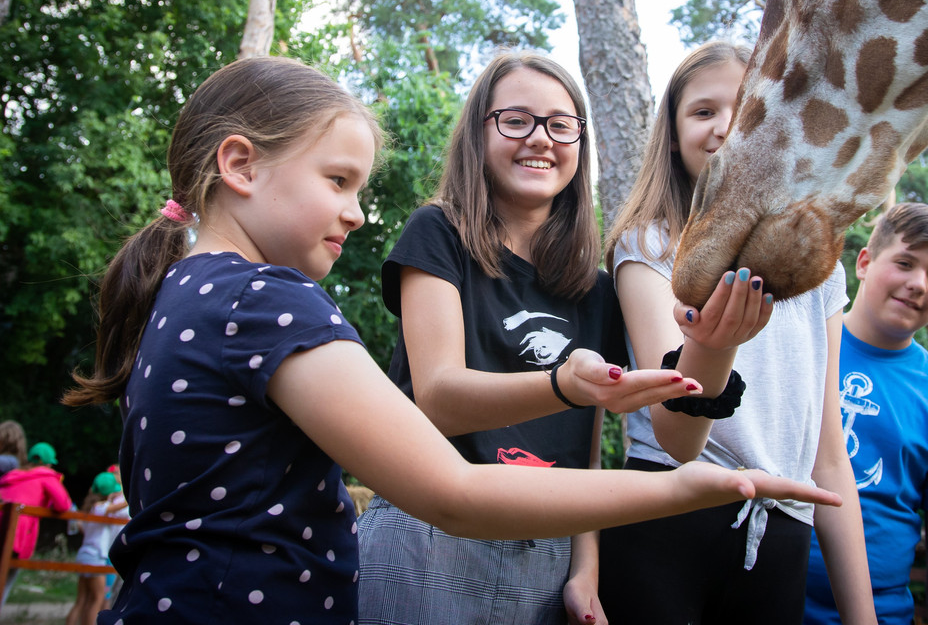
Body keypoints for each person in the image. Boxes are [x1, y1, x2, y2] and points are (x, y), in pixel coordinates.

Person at [61, 55, 842, 624]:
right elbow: (450, 476)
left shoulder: (192, 291)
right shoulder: (270, 300)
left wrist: (589, 552)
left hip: (527, 538)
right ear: (239, 164)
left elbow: (596, 438)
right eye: (339, 182)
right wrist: (684, 486)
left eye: (562, 123)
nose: (358, 211)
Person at [354, 49, 773, 625]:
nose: (540, 139)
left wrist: (584, 568)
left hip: (546, 548)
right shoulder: (439, 233)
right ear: (479, 133)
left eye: (560, 124)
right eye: (516, 120)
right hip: (431, 532)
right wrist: (564, 384)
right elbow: (439, 399)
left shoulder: (594, 291)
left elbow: (584, 453)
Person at [597, 40, 877, 625]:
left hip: (784, 532)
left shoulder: (820, 268)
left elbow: (828, 454)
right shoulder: (647, 244)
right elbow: (677, 437)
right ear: (672, 135)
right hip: (667, 514)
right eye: (704, 111)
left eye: (749, 109)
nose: (728, 127)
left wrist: (863, 616)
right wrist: (713, 345)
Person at [803, 202, 928, 625]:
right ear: (864, 262)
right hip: (761, 596)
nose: (918, 284)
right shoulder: (803, 344)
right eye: (904, 262)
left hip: (881, 613)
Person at [0, 441, 74, 606]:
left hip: (2, 525)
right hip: (16, 535)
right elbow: (63, 504)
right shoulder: (46, 476)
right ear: (47, 463)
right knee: (6, 578)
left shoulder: (12, 475)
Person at [65, 471, 128, 625]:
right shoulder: (102, 507)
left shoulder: (89, 507)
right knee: (96, 599)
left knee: (81, 600)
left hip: (84, 554)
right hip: (96, 557)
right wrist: (129, 493)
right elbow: (122, 505)